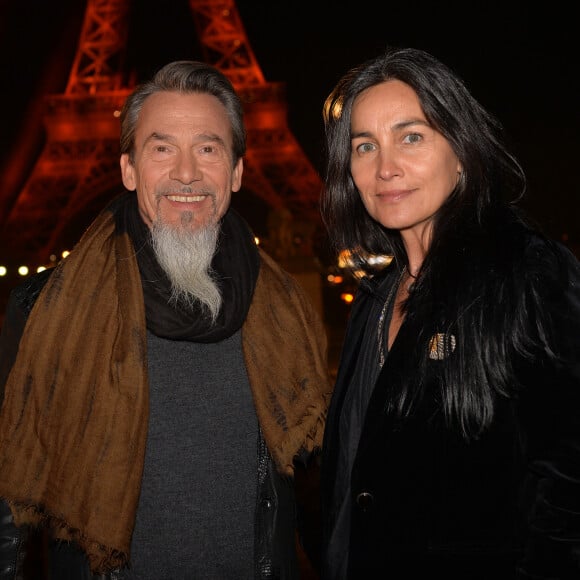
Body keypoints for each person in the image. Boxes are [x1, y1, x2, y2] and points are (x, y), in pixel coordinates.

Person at [0, 60, 332, 579]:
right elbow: (7, 503)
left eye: (207, 148)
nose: (186, 172)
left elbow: (319, 495)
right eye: (161, 148)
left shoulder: (288, 312)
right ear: (129, 169)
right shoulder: (42, 310)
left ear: (237, 171)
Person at [318, 46, 580, 580]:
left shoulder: (526, 273)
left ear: (460, 151)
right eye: (365, 146)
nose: (386, 167)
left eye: (410, 136)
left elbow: (570, 481)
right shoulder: (375, 299)